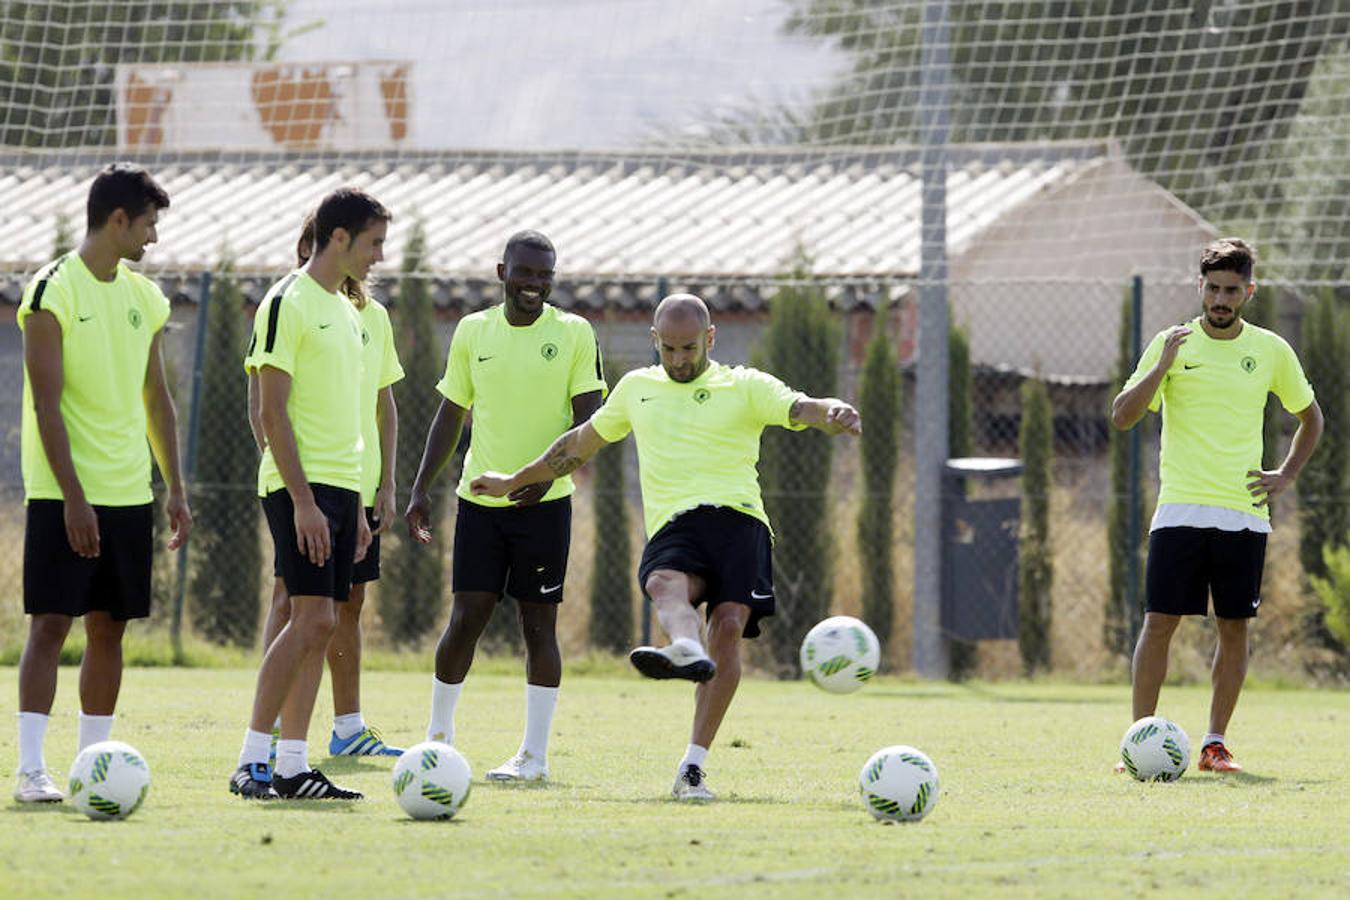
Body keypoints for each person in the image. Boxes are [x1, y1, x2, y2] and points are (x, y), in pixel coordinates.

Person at [471, 292, 861, 801]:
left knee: (727, 626)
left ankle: (693, 767)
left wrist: (832, 409)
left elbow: (800, 407)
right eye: (669, 349)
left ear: (710, 339)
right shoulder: (637, 388)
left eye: (689, 349)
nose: (679, 360)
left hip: (740, 522)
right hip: (677, 524)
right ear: (655, 342)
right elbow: (578, 444)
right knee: (662, 583)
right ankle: (684, 647)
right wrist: (512, 480)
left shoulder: (743, 384)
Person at [14, 163, 192, 803]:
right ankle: (31, 768)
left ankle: (91, 767)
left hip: (129, 494)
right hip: (63, 494)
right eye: (147, 224)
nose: (152, 238)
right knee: (50, 625)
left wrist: (174, 487)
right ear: (118, 220)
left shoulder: (146, 299)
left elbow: (157, 400)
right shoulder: (50, 292)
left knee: (109, 628)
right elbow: (45, 406)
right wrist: (74, 498)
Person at [1111, 238, 1323, 773]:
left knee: (1234, 627)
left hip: (1243, 513)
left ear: (1248, 291)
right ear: (1199, 288)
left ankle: (1214, 743)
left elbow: (1310, 416)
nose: (1221, 299)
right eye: (1213, 288)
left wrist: (1287, 474)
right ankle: (1138, 741)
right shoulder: (1171, 343)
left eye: (1232, 290)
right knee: (1159, 621)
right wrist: (1161, 367)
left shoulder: (1272, 350)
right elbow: (1122, 416)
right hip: (1179, 509)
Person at [405, 231, 605, 783]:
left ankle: (534, 757)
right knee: (466, 618)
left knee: (538, 626)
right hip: (481, 502)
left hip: (545, 503)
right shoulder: (473, 331)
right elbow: (450, 415)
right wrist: (422, 487)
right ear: (502, 272)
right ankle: (437, 743)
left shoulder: (573, 334)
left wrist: (545, 477)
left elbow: (591, 422)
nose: (535, 284)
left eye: (546, 275)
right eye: (526, 272)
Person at [229, 188, 391, 800]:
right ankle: (254, 760)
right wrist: (301, 500)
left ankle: (294, 767)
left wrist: (358, 511)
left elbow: (349, 413)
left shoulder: (348, 312)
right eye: (374, 243)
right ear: (341, 237)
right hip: (299, 486)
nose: (379, 256)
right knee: (312, 617)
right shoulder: (286, 301)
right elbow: (271, 411)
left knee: (320, 625)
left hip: (342, 489)